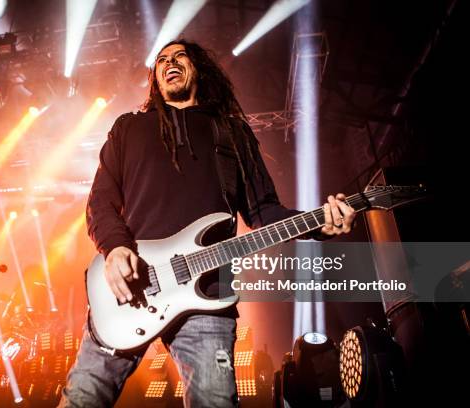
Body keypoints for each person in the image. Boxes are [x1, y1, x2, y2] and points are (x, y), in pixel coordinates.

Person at [60, 39, 355, 407]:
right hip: (132, 288)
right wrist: (116, 247)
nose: (169, 62)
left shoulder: (231, 132)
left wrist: (320, 223)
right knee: (83, 398)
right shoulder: (129, 128)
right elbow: (101, 201)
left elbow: (265, 212)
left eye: (180, 55)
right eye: (162, 59)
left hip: (209, 295)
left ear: (199, 67)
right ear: (155, 76)